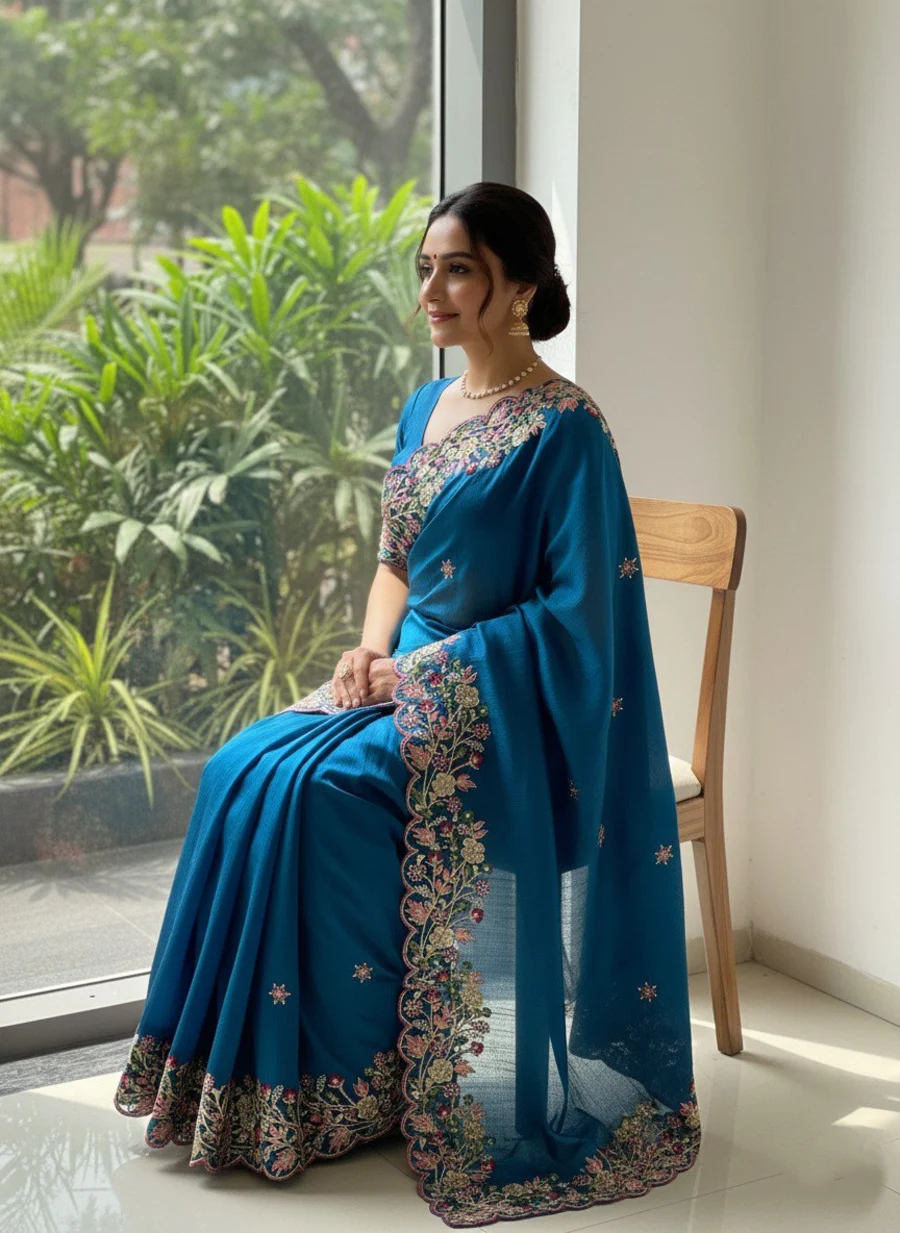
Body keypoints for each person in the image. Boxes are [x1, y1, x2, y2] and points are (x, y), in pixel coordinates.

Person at [113, 181, 701, 1227]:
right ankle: (255, 1077)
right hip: (400, 675)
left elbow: (576, 624)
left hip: (499, 709)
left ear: (520, 288)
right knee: (245, 766)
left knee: (322, 794)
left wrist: (424, 676)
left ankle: (348, 1084)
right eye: (426, 267)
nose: (431, 290)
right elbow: (396, 561)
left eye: (458, 269)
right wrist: (369, 648)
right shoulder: (426, 408)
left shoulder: (568, 431)